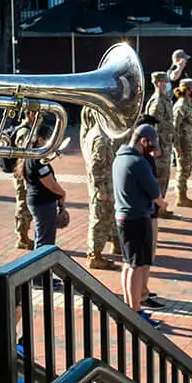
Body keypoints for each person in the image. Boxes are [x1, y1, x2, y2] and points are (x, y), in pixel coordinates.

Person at [113, 124, 164, 326]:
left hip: (123, 217)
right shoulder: (138, 162)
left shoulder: (120, 158)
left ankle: (129, 307)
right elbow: (155, 192)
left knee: (128, 264)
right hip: (137, 218)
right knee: (136, 265)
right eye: (150, 145)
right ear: (143, 141)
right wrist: (163, 203)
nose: (151, 149)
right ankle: (135, 313)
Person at [79, 109, 120, 271]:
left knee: (103, 218)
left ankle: (107, 246)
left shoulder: (94, 133)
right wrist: (101, 190)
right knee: (99, 220)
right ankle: (94, 256)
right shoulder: (100, 139)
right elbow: (96, 168)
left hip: (103, 186)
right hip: (102, 188)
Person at [23, 126, 66, 248]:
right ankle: (42, 266)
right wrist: (62, 194)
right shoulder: (37, 160)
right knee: (45, 242)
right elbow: (50, 184)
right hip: (43, 203)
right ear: (40, 140)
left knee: (40, 237)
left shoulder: (31, 155)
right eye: (49, 140)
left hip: (37, 201)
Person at [4, 108, 40, 249]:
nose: (41, 118)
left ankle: (23, 236)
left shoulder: (29, 129)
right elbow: (23, 154)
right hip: (23, 174)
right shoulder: (24, 131)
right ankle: (22, 237)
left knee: (25, 204)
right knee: (23, 205)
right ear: (31, 114)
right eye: (40, 115)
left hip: (25, 173)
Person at [144, 70, 176, 213]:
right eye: (165, 81)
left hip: (165, 145)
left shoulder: (164, 99)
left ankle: (159, 207)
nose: (168, 84)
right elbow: (152, 128)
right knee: (159, 177)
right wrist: (155, 147)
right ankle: (156, 209)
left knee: (164, 177)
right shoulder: (157, 102)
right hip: (160, 147)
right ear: (159, 83)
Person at [172, 77, 192, 208]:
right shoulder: (180, 106)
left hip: (189, 142)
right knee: (182, 170)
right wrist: (177, 146)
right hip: (183, 143)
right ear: (187, 90)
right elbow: (175, 127)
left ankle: (183, 195)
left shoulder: (188, 104)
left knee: (187, 169)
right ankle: (181, 197)